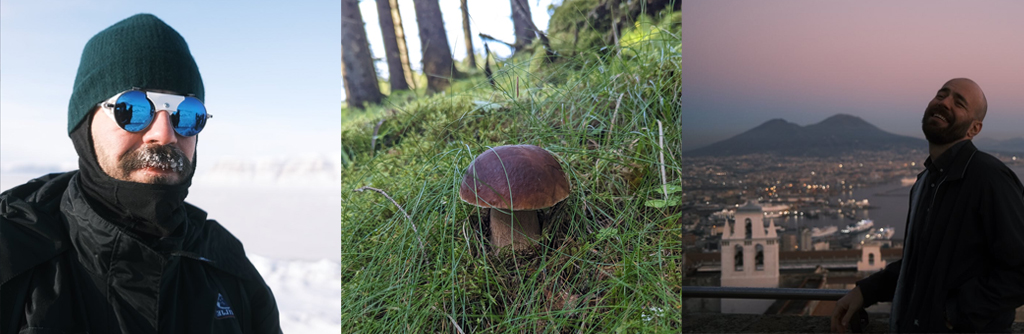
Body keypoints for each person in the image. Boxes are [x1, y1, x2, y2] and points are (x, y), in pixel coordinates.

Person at [0, 14, 282, 333]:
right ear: (83, 123)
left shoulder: (228, 269)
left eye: (187, 114)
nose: (164, 134)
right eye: (133, 108)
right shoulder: (12, 254)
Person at [831, 78, 1024, 333]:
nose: (944, 102)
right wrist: (865, 291)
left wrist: (955, 312)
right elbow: (921, 262)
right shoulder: (926, 182)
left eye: (959, 102)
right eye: (941, 94)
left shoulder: (988, 177)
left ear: (974, 128)